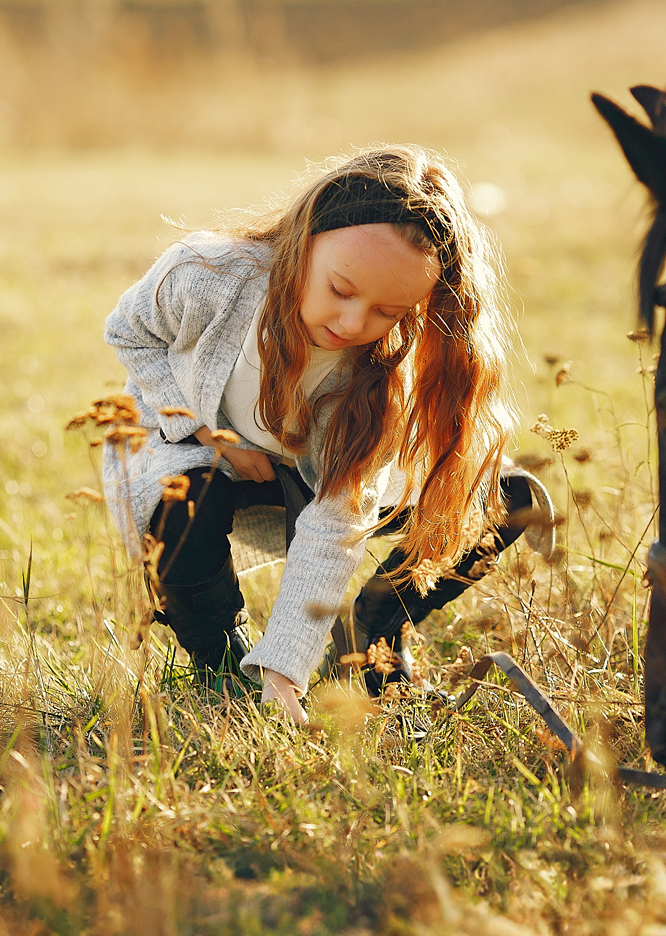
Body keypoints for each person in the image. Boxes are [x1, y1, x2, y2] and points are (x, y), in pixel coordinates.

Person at [102, 145, 552, 723]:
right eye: (341, 290)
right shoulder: (209, 276)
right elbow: (131, 331)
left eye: (387, 311)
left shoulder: (381, 377)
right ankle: (220, 662)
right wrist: (203, 433)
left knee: (500, 501)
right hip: (203, 458)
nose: (352, 324)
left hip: (313, 477)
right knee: (180, 510)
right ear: (304, 239)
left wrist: (285, 669)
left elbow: (334, 528)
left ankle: (377, 629)